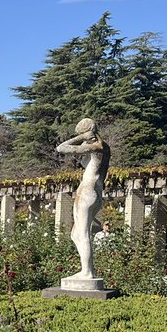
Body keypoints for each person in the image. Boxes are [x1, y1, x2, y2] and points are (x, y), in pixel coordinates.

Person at [55, 118, 111, 284]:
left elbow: (61, 148)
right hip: (96, 193)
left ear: (87, 133)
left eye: (82, 135)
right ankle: (86, 270)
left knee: (82, 233)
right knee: (75, 234)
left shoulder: (96, 146)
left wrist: (81, 137)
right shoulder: (105, 147)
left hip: (87, 191)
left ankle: (87, 273)